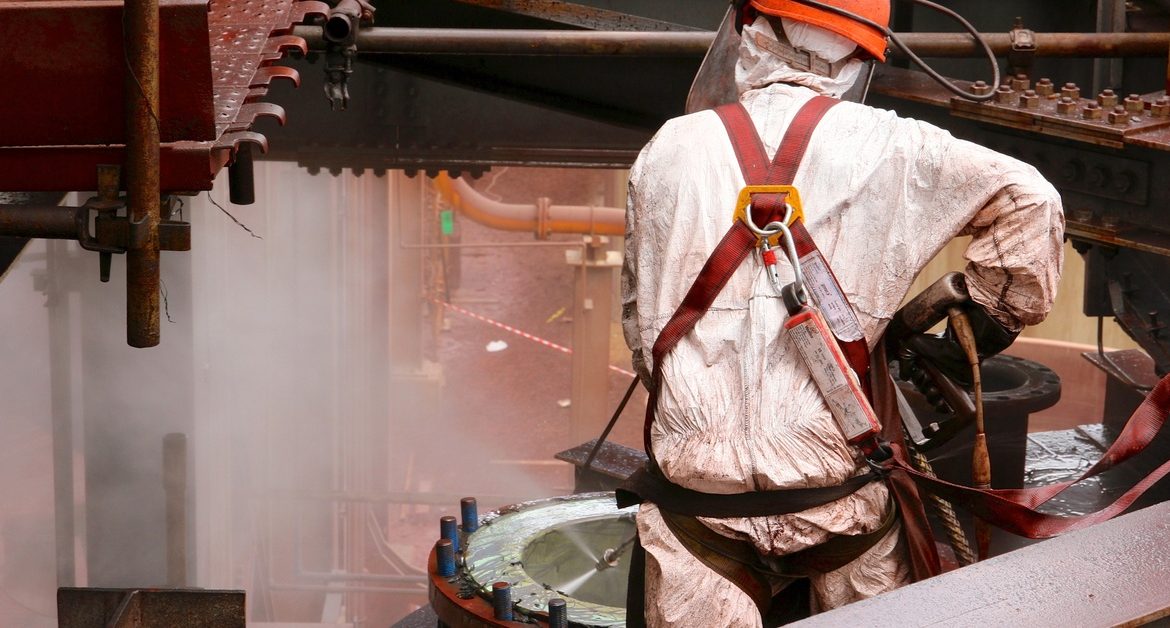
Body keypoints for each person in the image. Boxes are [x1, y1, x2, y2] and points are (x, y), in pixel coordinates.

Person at [620, 0, 1065, 624]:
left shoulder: (669, 147)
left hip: (698, 511)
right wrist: (988, 313)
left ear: (749, 30)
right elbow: (1032, 199)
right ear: (859, 55)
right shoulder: (898, 147)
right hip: (842, 506)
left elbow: (640, 328)